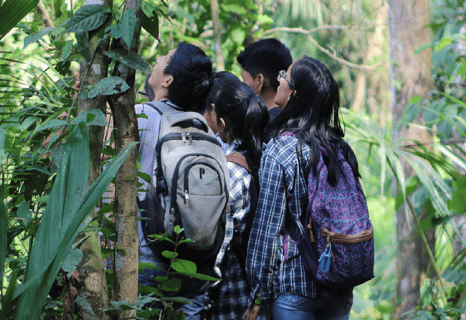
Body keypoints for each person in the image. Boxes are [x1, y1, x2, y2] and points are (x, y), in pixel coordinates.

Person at [245, 56, 356, 320]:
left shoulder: (281, 150)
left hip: (296, 284)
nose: (279, 80)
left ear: (293, 92)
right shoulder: (339, 147)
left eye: (284, 76)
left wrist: (257, 292)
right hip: (339, 282)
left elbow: (266, 230)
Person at [135, 42, 214, 320]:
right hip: (195, 267)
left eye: (165, 57)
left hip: (147, 261)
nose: (157, 58)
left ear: (168, 80)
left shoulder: (141, 117)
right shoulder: (205, 131)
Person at [203, 76, 269, 320]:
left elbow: (219, 244)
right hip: (258, 291)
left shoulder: (231, 173)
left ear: (221, 123)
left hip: (234, 295)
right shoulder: (263, 155)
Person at [236, 38, 292, 123]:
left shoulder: (260, 128)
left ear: (260, 81)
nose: (242, 86)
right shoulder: (299, 120)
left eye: (244, 80)